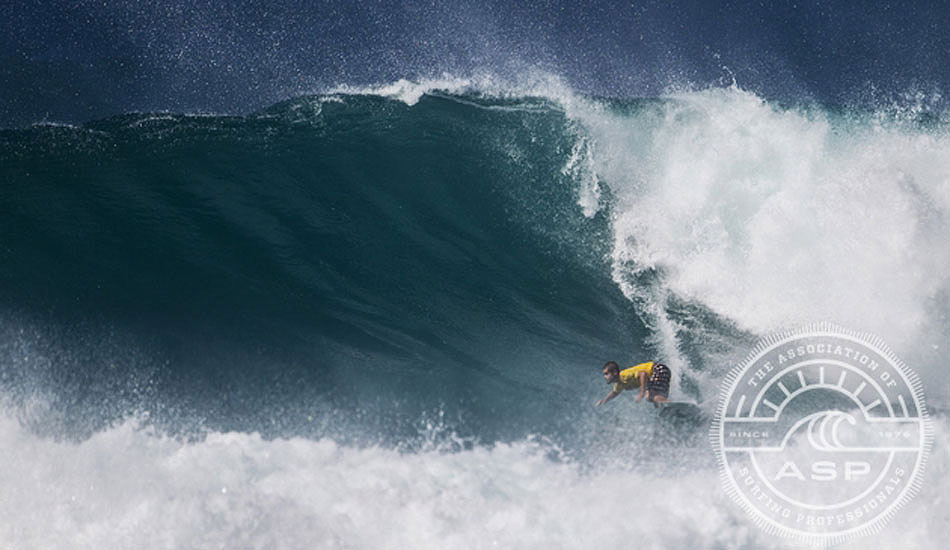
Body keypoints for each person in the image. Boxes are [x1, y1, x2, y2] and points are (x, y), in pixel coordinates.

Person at [595, 360, 671, 408]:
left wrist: (641, 393)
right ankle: (665, 409)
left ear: (615, 372)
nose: (604, 377)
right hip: (658, 372)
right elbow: (614, 392)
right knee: (653, 398)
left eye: (606, 374)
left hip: (657, 369)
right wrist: (603, 401)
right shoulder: (619, 384)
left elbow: (643, 374)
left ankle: (669, 406)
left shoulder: (624, 376)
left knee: (650, 396)